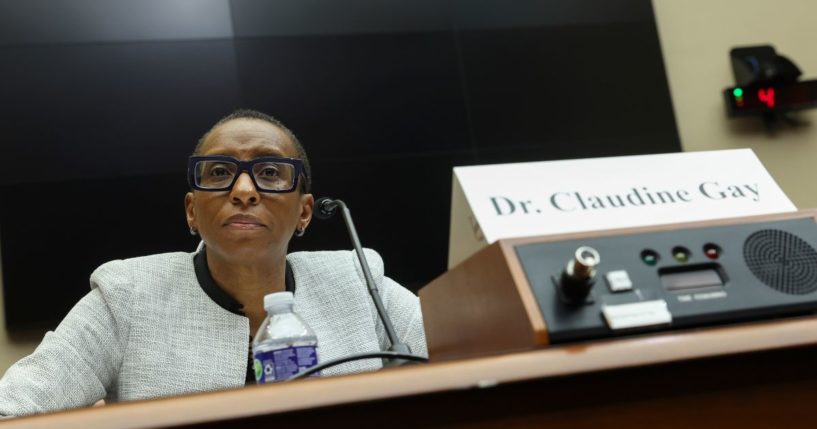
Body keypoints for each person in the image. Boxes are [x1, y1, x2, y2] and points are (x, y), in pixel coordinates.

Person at [0, 109, 427, 416]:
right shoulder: (127, 296)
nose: (244, 190)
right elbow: (14, 407)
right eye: (220, 173)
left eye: (271, 172)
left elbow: (476, 362)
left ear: (304, 212)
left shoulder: (358, 282)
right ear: (191, 210)